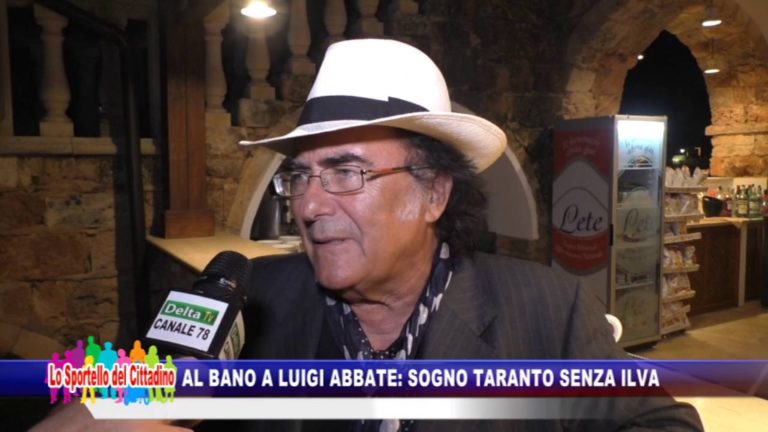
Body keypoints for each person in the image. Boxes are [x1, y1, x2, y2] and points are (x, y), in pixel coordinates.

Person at [32, 38, 702, 432]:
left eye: (346, 172)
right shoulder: (251, 301)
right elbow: (120, 398)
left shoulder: (549, 310)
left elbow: (662, 422)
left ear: (434, 193)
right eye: (300, 176)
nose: (308, 204)